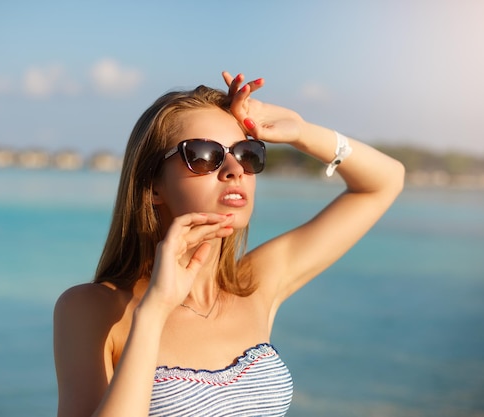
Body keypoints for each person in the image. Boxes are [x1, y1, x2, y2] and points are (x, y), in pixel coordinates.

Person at [53, 71, 405, 417]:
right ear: (152, 186)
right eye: (205, 155)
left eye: (247, 152)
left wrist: (301, 132)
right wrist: (155, 311)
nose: (235, 168)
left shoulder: (255, 285)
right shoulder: (93, 310)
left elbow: (385, 181)